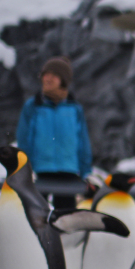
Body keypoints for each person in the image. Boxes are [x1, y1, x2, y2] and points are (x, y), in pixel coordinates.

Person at [16, 56, 92, 209]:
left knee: (66, 221)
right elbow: (23, 139)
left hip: (69, 171)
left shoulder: (74, 108)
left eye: (53, 74)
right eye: (45, 74)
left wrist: (86, 172)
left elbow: (83, 141)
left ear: (63, 80)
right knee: (35, 218)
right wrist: (25, 169)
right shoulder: (33, 106)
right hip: (39, 172)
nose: (47, 78)